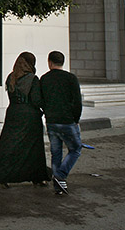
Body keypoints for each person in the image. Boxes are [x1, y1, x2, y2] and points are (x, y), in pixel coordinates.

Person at [0, 52, 50, 188]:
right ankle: (37, 177)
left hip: (13, 114)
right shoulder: (33, 79)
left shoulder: (10, 77)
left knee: (9, 145)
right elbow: (36, 100)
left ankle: (3, 175)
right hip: (29, 117)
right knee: (33, 148)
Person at [40, 51, 82, 195]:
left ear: (49, 62)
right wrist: (76, 120)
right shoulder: (71, 78)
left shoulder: (44, 79)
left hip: (51, 121)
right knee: (75, 149)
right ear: (62, 62)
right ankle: (60, 175)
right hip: (67, 121)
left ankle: (58, 185)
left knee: (55, 152)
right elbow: (77, 102)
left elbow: (42, 100)